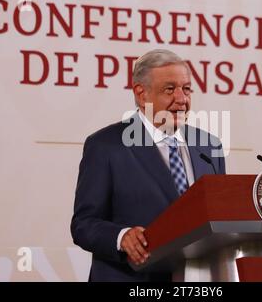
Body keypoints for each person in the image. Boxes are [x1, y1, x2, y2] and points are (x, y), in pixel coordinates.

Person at [70, 49, 226, 282]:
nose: (182, 99)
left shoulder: (209, 147)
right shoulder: (106, 145)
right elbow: (83, 224)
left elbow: (220, 217)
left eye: (186, 89)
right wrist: (121, 237)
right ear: (142, 94)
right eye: (170, 89)